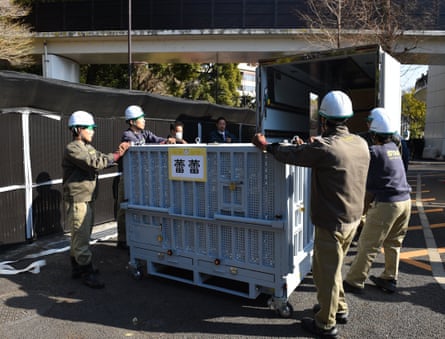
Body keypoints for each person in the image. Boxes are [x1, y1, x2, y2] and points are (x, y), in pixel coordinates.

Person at [252, 90, 369, 338]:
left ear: (324, 120)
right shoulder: (360, 143)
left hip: (332, 223)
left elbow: (291, 155)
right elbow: (324, 153)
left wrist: (266, 147)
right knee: (334, 268)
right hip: (353, 219)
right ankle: (339, 309)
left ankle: (325, 324)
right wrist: (310, 146)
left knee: (325, 273)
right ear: (346, 118)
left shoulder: (327, 148)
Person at [344, 111, 412, 294]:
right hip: (406, 202)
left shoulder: (373, 152)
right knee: (393, 242)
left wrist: (359, 214)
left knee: (368, 243)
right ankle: (390, 277)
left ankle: (354, 281)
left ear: (373, 132)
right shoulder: (393, 148)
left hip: (388, 204)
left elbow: (369, 192)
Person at [63, 110, 129, 288]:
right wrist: (117, 154)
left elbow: (101, 158)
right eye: (90, 128)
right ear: (78, 129)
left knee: (80, 235)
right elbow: (95, 162)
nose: (93, 131)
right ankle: (86, 271)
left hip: (87, 198)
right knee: (82, 236)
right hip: (78, 199)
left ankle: (76, 267)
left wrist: (115, 155)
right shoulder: (73, 148)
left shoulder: (87, 147)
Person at [116, 105, 176, 249]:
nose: (143, 120)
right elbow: (139, 145)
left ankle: (140, 237)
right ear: (131, 122)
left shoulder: (145, 133)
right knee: (125, 207)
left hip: (141, 177)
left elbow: (156, 139)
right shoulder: (128, 135)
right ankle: (123, 239)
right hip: (129, 177)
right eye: (140, 118)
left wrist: (167, 141)